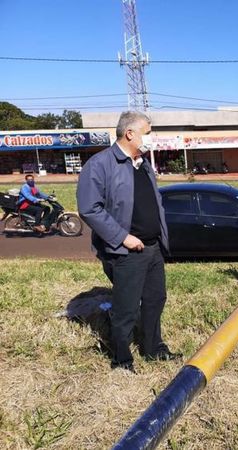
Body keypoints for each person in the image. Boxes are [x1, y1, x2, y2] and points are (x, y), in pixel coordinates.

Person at [77, 111, 180, 373]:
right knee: (126, 309)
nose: (151, 138)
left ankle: (153, 348)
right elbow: (89, 208)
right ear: (130, 133)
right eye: (148, 132)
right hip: (125, 251)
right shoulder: (100, 165)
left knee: (156, 299)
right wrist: (123, 237)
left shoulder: (143, 164)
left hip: (152, 247)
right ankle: (121, 359)